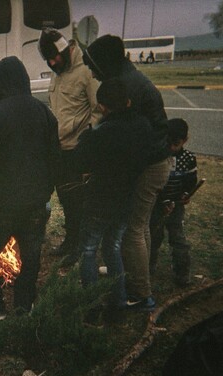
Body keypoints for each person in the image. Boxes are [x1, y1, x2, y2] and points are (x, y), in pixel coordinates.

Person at [83, 34, 171, 311]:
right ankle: (136, 278)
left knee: (133, 229)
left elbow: (123, 135)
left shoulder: (127, 86)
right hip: (154, 160)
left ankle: (140, 293)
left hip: (151, 164)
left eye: (94, 66)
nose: (92, 73)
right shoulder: (128, 78)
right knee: (138, 226)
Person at [0, 56, 59, 318]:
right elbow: (55, 158)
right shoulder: (44, 113)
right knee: (31, 256)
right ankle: (23, 305)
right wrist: (46, 191)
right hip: (35, 203)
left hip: (1, 204)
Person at [71, 78, 156, 320]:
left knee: (88, 249)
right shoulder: (143, 126)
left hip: (100, 198)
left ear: (102, 106)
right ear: (128, 102)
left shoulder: (102, 132)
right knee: (113, 246)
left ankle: (93, 307)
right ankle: (119, 302)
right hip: (127, 197)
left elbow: (80, 161)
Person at [37, 27, 101, 260]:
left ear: (65, 50)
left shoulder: (85, 70)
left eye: (54, 57)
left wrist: (89, 142)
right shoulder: (58, 70)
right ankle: (70, 240)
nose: (52, 63)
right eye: (48, 60)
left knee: (78, 202)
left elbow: (99, 111)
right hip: (59, 148)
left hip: (78, 149)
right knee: (65, 199)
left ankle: (80, 247)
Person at [149, 118, 197, 287]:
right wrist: (161, 201)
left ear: (185, 140)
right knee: (154, 236)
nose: (171, 147)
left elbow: (191, 181)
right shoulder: (158, 155)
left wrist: (186, 195)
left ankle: (182, 274)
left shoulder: (189, 158)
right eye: (168, 143)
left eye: (175, 144)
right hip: (157, 204)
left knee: (178, 239)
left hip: (176, 206)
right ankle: (149, 266)